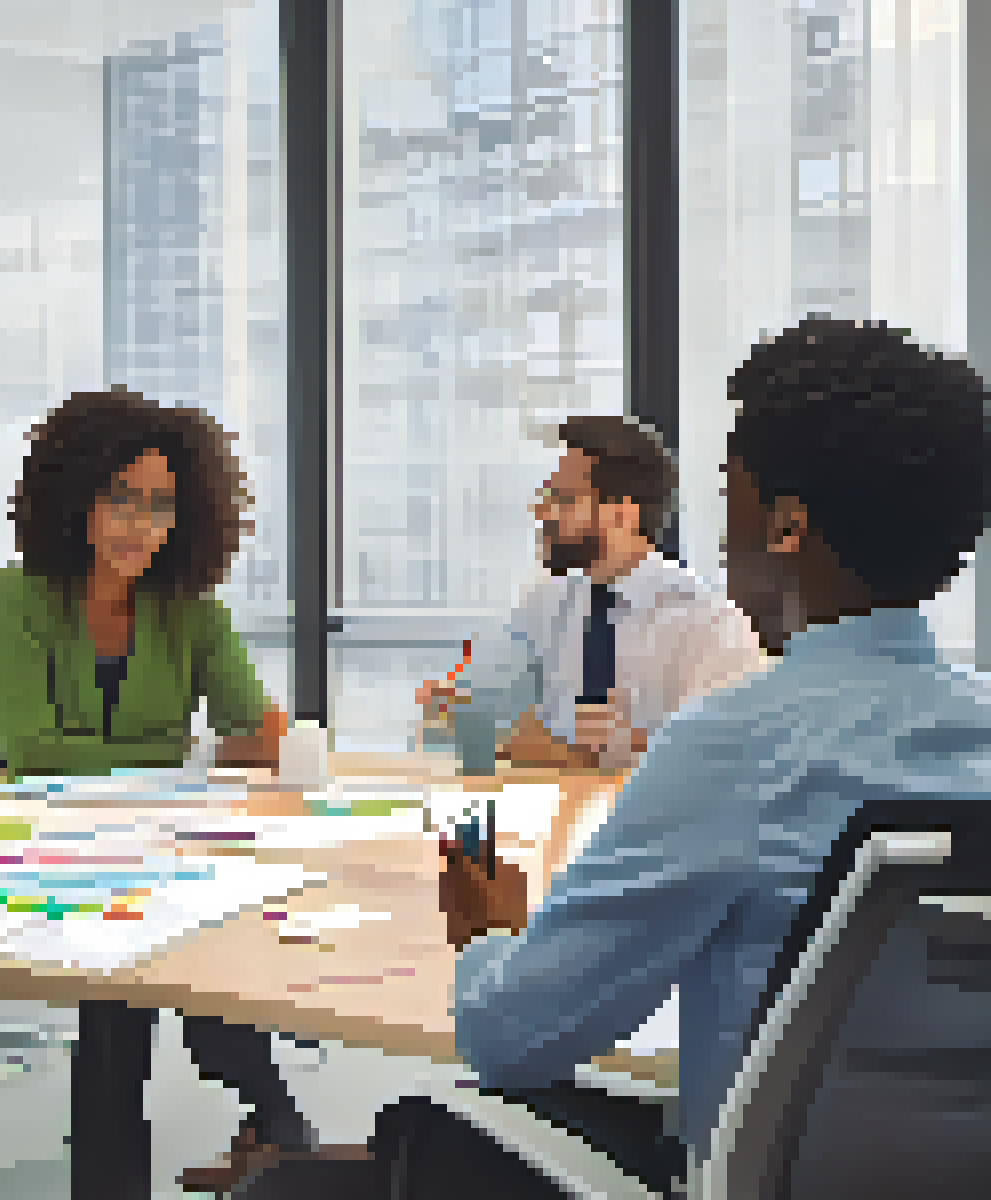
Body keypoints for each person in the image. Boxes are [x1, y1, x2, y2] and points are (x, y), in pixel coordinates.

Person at [239, 316, 991, 1199]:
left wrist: (486, 930)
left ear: (786, 525)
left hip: (743, 1172)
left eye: (733, 492)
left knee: (311, 1178)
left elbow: (511, 1035)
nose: (719, 527)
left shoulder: (737, 741)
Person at [0, 387, 323, 1195]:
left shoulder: (187, 608)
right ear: (74, 500)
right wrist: (183, 756)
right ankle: (272, 1128)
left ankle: (271, 1128)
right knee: (119, 1011)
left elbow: (254, 722)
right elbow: (33, 754)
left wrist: (232, 748)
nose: (139, 525)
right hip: (60, 851)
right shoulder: (17, 598)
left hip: (169, 848)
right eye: (119, 498)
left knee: (185, 979)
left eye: (160, 505)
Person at [416, 415, 767, 771]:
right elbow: (484, 703)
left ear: (621, 516)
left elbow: (728, 754)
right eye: (544, 497)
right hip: (552, 814)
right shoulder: (545, 603)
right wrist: (456, 705)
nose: (540, 512)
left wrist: (594, 754)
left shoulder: (707, 620)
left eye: (562, 500)